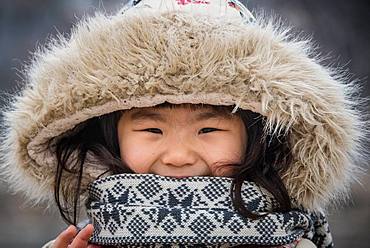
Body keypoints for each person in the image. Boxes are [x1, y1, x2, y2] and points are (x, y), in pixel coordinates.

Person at [0, 0, 367, 247]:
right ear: (111, 139)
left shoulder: (289, 238)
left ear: (258, 139)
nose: (178, 156)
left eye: (208, 130)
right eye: (151, 130)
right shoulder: (95, 237)